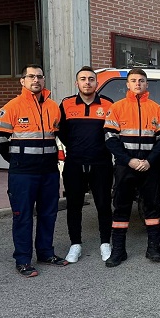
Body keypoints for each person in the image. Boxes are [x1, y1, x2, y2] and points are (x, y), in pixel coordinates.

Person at [0, 64, 68, 277]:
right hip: (23, 174)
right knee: (23, 216)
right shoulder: (12, 107)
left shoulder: (53, 107)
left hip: (49, 172)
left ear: (44, 80)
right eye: (31, 76)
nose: (36, 80)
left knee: (48, 214)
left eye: (39, 76)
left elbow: (58, 135)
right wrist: (16, 159)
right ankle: (23, 259)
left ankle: (45, 252)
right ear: (23, 81)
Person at [103, 69, 160, 267]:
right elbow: (110, 138)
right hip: (126, 166)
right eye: (133, 81)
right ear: (128, 84)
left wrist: (150, 160)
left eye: (141, 81)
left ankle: (153, 248)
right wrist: (128, 160)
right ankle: (118, 250)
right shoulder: (117, 108)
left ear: (147, 84)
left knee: (152, 207)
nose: (138, 84)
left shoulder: (156, 109)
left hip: (150, 166)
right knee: (121, 207)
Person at [58, 66, 114, 264]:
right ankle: (75, 244)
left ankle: (105, 243)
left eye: (91, 79)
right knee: (74, 206)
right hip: (74, 162)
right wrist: (75, 146)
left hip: (101, 163)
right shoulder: (66, 104)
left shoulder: (108, 104)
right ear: (77, 83)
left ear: (96, 83)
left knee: (104, 204)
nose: (87, 82)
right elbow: (60, 131)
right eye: (83, 79)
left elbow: (113, 132)